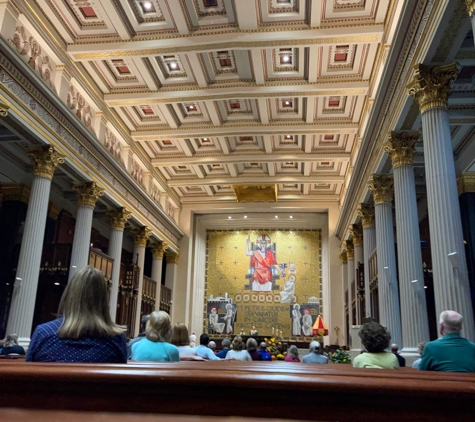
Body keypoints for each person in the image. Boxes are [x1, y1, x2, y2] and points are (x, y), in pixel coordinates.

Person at [26, 266, 127, 363]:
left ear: (69, 295)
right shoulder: (117, 338)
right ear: (104, 301)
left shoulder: (43, 333)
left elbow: (27, 373)